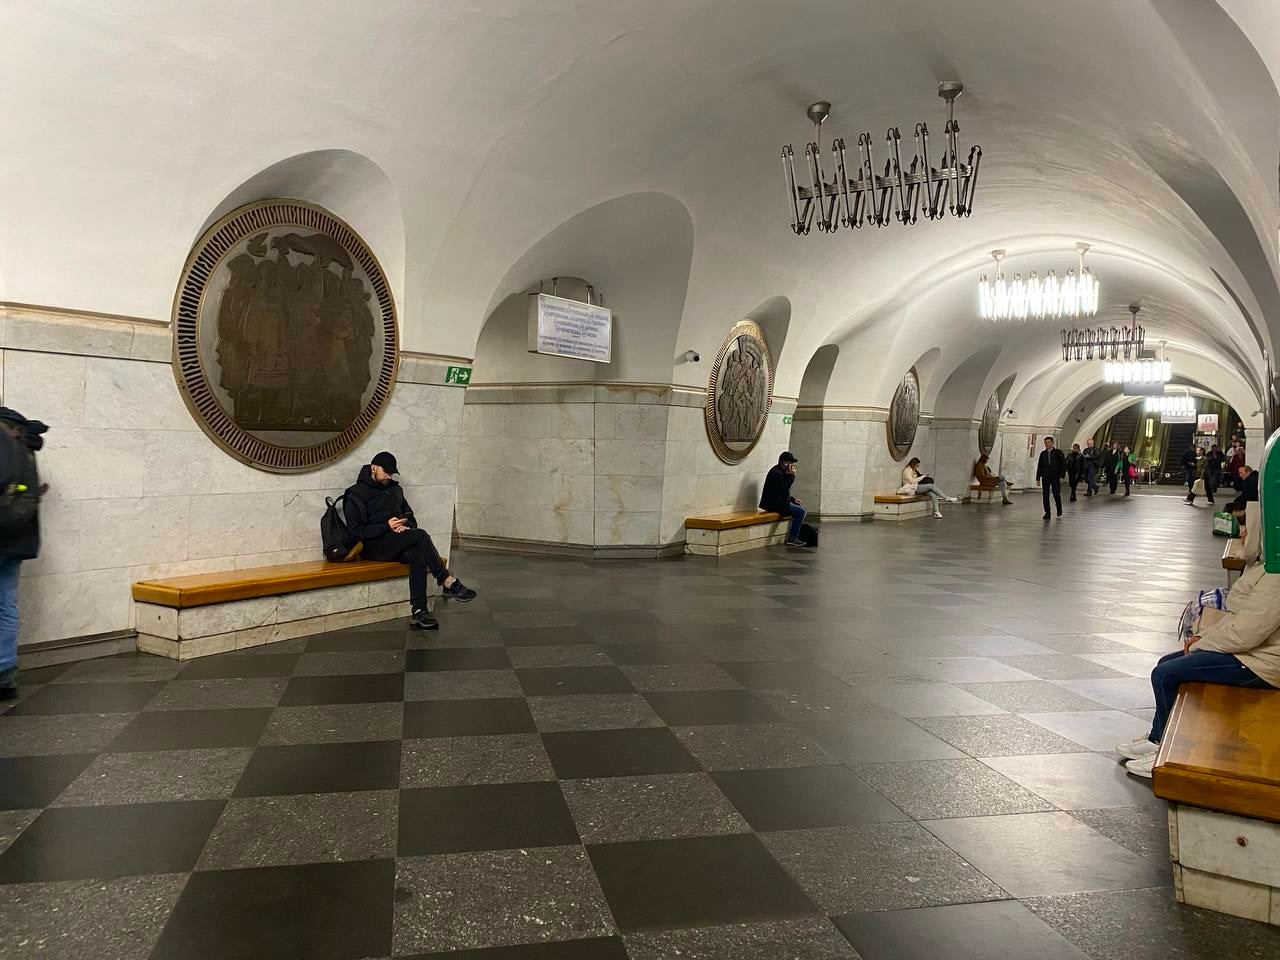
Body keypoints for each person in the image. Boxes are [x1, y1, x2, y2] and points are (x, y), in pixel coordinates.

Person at [1117, 522, 1278, 779]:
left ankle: (1166, 752)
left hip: (1263, 664)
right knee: (1166, 662)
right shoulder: (1266, 568)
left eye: (1249, 527)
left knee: (1165, 674)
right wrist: (1204, 637)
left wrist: (1201, 644)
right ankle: (1158, 737)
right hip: (1253, 653)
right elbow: (1240, 617)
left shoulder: (1276, 577)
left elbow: (1246, 633)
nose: (1242, 532)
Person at [345, 451, 476, 630]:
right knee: (420, 535)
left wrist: (404, 525)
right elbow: (356, 532)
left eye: (391, 473)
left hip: (395, 541)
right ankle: (446, 580)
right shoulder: (355, 493)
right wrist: (387, 526)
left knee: (417, 554)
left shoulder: (395, 489)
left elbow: (410, 517)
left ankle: (419, 611)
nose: (388, 477)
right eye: (385, 472)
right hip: (373, 546)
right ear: (373, 467)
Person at [0, 407, 46, 699]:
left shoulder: (4, 439)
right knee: (6, 605)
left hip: (2, 533)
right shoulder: (24, 440)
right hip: (19, 535)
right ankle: (5, 673)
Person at [760, 451, 808, 547]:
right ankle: (793, 538)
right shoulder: (776, 473)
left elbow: (783, 492)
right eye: (790, 463)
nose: (792, 465)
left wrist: (792, 500)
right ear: (784, 462)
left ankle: (794, 534)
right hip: (774, 504)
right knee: (801, 511)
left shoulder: (781, 471)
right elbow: (783, 488)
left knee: (803, 509)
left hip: (779, 502)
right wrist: (792, 476)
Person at [1036, 436, 1067, 519]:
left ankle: (1059, 508)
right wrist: (1038, 478)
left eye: (1049, 442)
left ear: (1052, 443)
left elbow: (1063, 464)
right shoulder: (1043, 454)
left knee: (1056, 493)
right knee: (1045, 495)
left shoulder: (1058, 452)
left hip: (1055, 476)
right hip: (1045, 476)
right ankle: (1047, 512)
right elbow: (1040, 466)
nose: (1047, 444)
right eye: (1046, 443)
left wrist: (1061, 475)